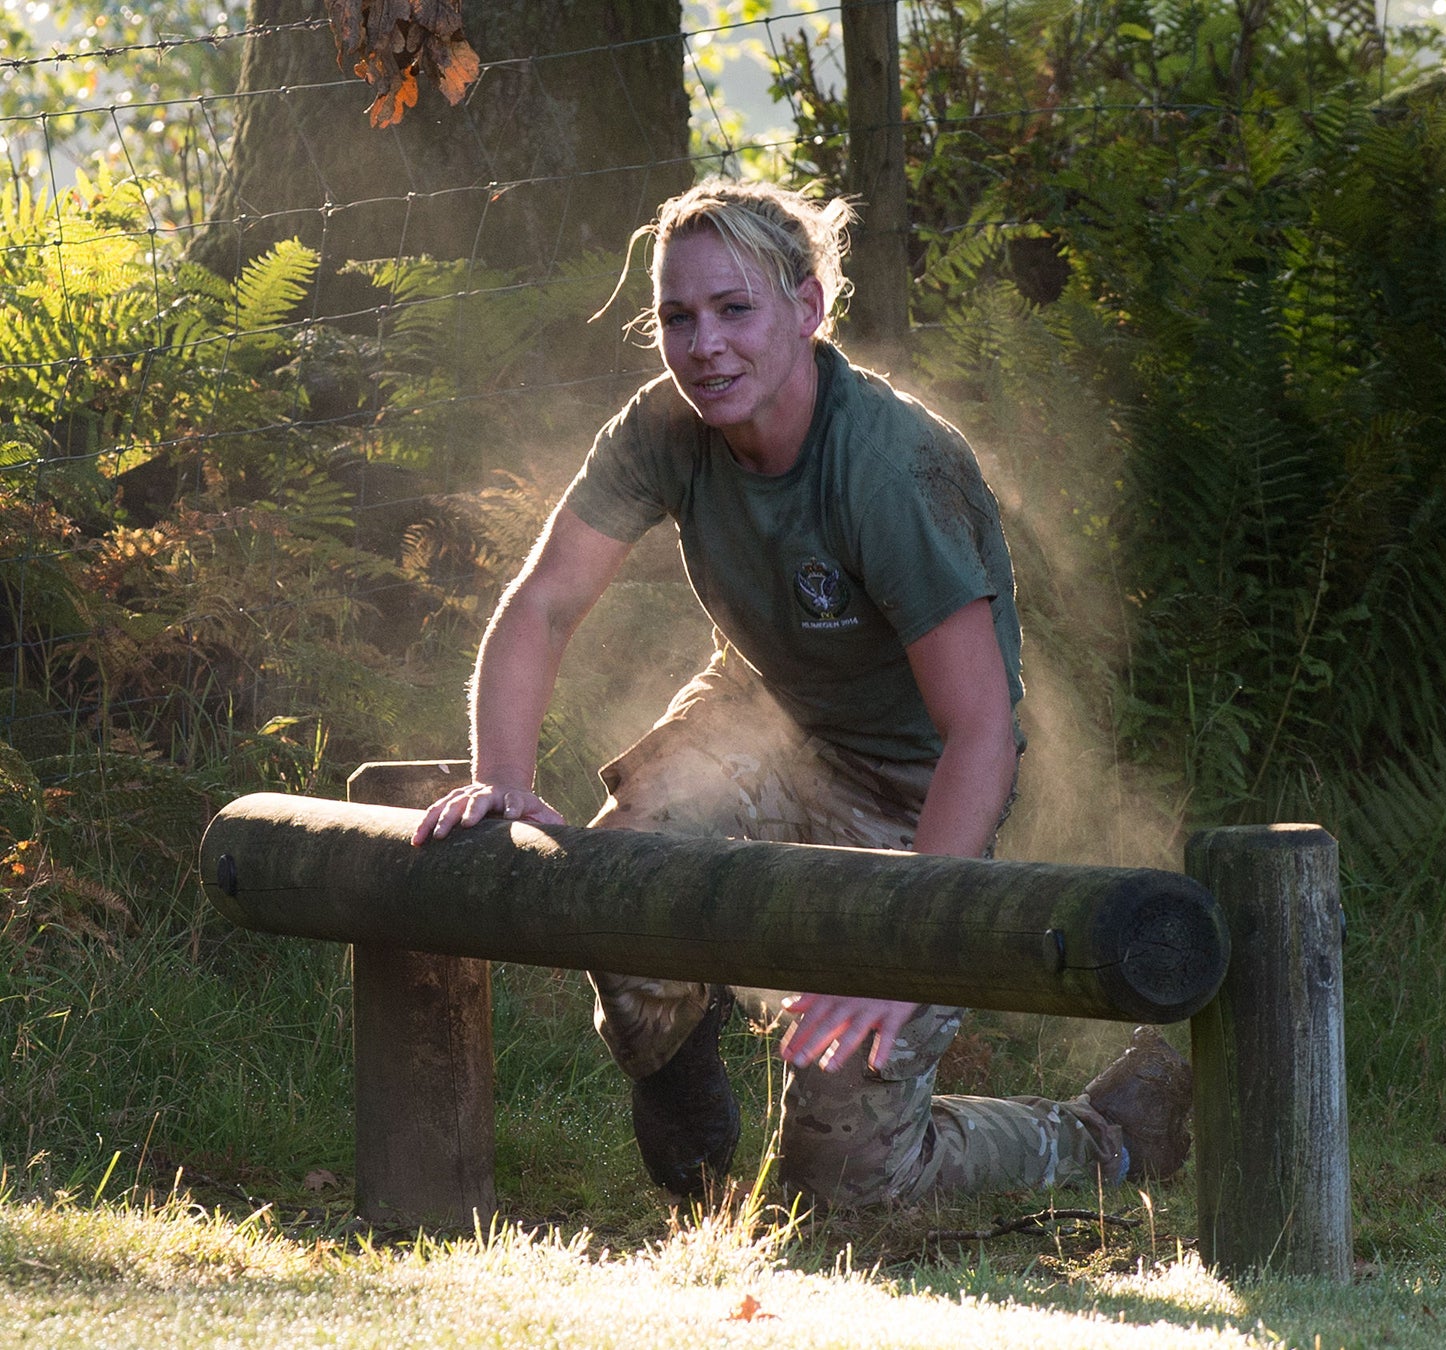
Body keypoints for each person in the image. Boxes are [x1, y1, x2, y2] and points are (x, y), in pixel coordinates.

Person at [409, 178, 1190, 1209]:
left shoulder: (889, 469)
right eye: (677, 317)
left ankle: (1105, 1137)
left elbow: (981, 734)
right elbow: (546, 602)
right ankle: (677, 1075)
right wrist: (501, 780)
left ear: (808, 309)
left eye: (735, 310)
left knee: (851, 1185)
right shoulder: (662, 427)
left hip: (918, 785)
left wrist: (896, 953)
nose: (705, 346)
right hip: (766, 714)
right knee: (616, 874)